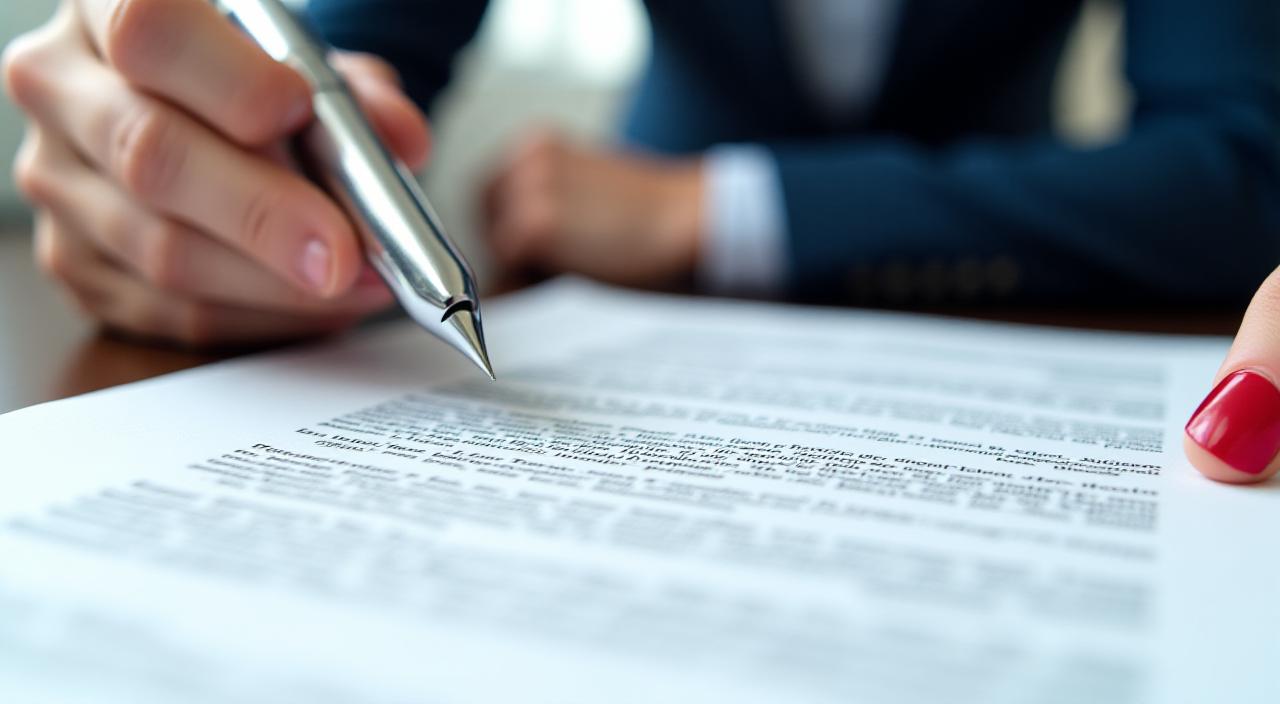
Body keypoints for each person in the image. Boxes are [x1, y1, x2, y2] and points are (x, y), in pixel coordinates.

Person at [3, 1, 1278, 483]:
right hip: (609, 298)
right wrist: (196, 146)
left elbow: (1238, 164)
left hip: (1024, 301)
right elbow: (325, 66)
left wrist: (710, 208)